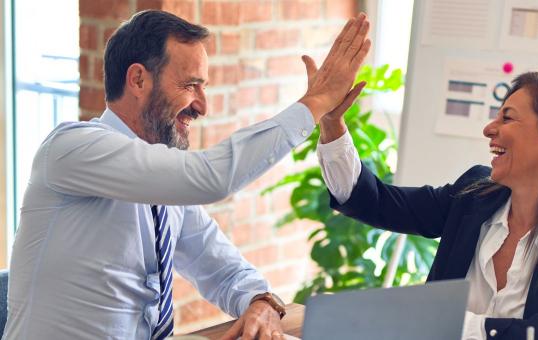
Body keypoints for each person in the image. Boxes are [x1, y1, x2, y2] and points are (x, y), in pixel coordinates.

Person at [4, 9, 370, 340]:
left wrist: (260, 301)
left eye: (204, 86)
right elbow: (211, 177)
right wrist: (316, 103)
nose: (203, 105)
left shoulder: (162, 188)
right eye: (190, 84)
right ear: (137, 80)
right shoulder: (73, 149)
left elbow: (224, 270)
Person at [316, 71, 538, 340]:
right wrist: (331, 123)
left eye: (507, 117)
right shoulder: (474, 196)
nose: (489, 129)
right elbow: (374, 202)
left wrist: (446, 323)